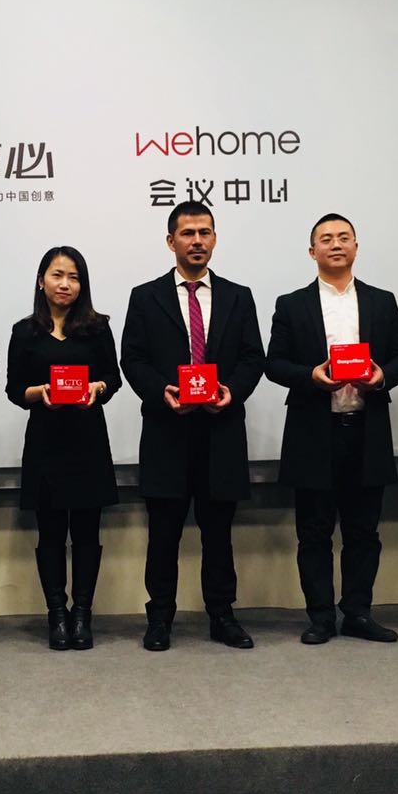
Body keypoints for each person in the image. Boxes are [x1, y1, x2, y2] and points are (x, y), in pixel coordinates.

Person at [120, 201, 265, 651]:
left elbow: (252, 358)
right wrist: (160, 391)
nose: (197, 241)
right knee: (163, 534)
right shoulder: (145, 296)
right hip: (167, 431)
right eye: (187, 233)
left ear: (214, 239)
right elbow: (133, 359)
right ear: (171, 241)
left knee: (218, 534)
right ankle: (159, 618)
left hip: (221, 432)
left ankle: (222, 615)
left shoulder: (238, 295)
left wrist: (231, 391)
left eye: (204, 232)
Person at [265, 213, 398, 645]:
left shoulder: (382, 301)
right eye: (326, 239)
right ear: (312, 251)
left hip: (366, 430)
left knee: (363, 531)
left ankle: (358, 613)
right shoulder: (291, 304)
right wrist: (310, 376)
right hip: (314, 431)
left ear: (356, 247)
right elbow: (273, 363)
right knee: (313, 532)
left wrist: (382, 376)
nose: (336, 244)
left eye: (344, 237)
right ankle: (320, 617)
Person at [5, 247, 122, 649]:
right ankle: (56, 614)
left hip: (88, 440)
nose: (65, 284)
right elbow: (13, 389)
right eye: (57, 275)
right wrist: (38, 393)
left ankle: (82, 614)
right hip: (45, 441)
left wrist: (97, 387)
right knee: (51, 533)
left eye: (74, 277)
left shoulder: (98, 328)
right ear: (41, 281)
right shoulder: (25, 331)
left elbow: (113, 377)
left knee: (87, 532)